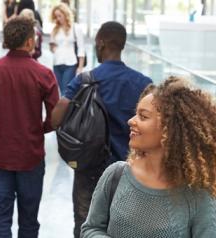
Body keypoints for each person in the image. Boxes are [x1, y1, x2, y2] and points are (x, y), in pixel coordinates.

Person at [51, 21, 152, 238]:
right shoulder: (143, 83)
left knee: (86, 225)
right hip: (132, 169)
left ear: (101, 42)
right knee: (127, 228)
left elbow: (56, 117)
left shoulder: (86, 80)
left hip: (89, 167)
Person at [81, 76, 216, 237]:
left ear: (170, 129)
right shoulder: (115, 175)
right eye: (135, 114)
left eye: (143, 116)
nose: (131, 121)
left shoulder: (198, 194)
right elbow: (91, 229)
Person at [0, 16, 59, 238]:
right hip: (30, 154)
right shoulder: (44, 74)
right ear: (30, 42)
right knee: (29, 219)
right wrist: (40, 128)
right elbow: (56, 117)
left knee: (1, 217)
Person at [50, 3, 85, 96]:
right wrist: (53, 48)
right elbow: (52, 46)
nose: (57, 18)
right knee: (62, 91)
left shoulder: (76, 28)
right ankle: (68, 109)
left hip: (70, 64)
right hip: (57, 64)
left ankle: (66, 110)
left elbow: (81, 48)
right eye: (56, 16)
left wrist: (80, 67)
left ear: (65, 14)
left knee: (66, 92)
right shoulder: (55, 29)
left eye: (59, 16)